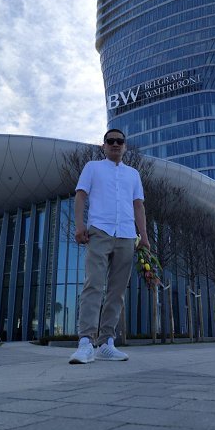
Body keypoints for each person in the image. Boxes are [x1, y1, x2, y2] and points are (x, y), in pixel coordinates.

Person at [68, 129, 150, 364]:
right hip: (99, 231)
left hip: (126, 235)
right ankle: (86, 342)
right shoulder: (92, 167)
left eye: (119, 141)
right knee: (94, 283)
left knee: (117, 291)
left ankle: (106, 343)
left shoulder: (133, 174)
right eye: (110, 141)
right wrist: (79, 225)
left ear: (125, 146)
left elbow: (138, 206)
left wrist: (144, 237)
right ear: (103, 145)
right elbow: (81, 196)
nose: (115, 144)